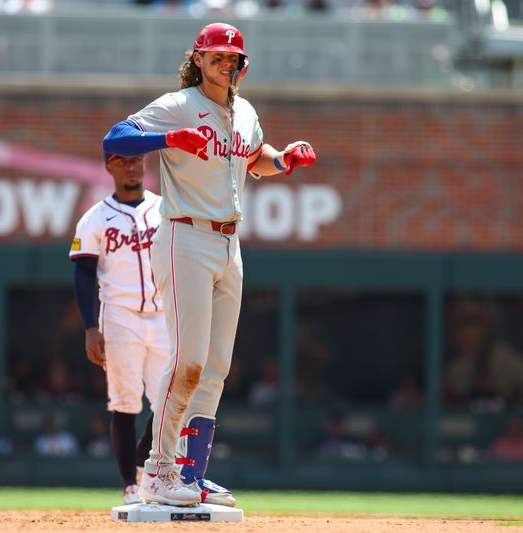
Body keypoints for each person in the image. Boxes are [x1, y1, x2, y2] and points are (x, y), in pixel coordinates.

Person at [102, 22, 317, 507]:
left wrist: (283, 160)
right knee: (188, 361)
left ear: (243, 64)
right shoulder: (179, 105)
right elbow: (115, 138)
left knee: (215, 368)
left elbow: (253, 158)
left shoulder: (243, 111)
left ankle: (191, 475)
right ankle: (156, 472)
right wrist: (171, 138)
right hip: (185, 235)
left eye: (233, 56)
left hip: (228, 241)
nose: (226, 61)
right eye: (216, 54)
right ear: (197, 58)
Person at [68, 151, 169, 505]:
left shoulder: (164, 208)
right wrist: (90, 328)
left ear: (144, 164)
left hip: (163, 314)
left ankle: (148, 465)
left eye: (136, 160)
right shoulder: (95, 218)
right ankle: (130, 485)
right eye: (122, 161)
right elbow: (82, 272)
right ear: (109, 167)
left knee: (170, 402)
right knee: (124, 401)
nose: (131, 167)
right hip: (120, 315)